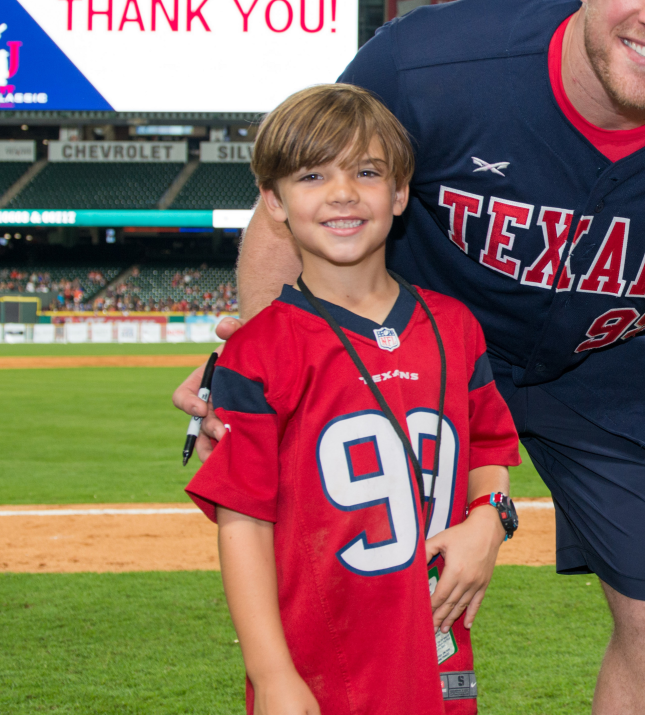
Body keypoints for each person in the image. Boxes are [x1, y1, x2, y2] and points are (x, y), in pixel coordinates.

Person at [175, 0, 645, 714]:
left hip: (605, 365)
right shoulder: (433, 63)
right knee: (349, 600)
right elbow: (294, 199)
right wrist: (261, 360)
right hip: (415, 347)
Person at [185, 84, 521, 715]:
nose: (342, 193)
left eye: (366, 172)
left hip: (438, 657)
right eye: (313, 175)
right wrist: (272, 674)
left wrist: (490, 521)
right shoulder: (258, 352)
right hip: (317, 667)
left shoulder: (455, 327)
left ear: (398, 194)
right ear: (274, 201)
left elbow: (489, 448)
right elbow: (243, 526)